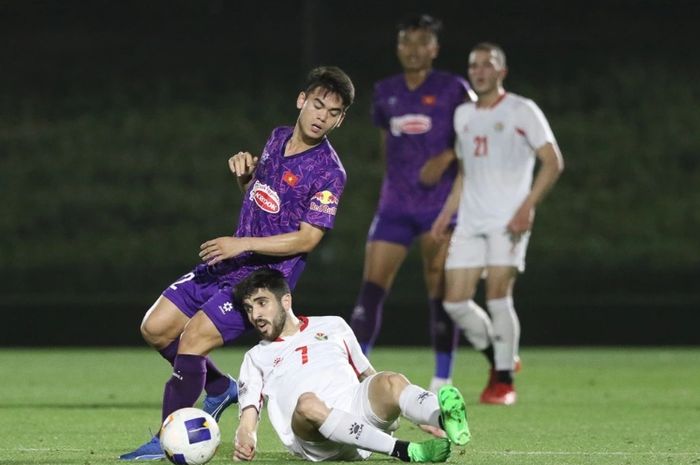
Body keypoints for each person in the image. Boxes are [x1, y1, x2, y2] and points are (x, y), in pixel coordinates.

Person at [119, 66, 356, 460]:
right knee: (156, 329)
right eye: (317, 105)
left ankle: (167, 440)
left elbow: (307, 238)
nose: (322, 117)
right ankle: (219, 388)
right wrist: (246, 178)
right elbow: (263, 199)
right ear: (302, 100)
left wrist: (240, 243)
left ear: (341, 118)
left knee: (193, 338)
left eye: (333, 113)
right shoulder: (278, 137)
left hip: (264, 280)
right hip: (231, 259)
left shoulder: (330, 172)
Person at [431, 43, 564, 405]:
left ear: (501, 72)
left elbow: (552, 162)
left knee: (497, 297)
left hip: (508, 220)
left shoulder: (523, 110)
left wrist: (528, 207)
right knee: (455, 303)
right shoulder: (462, 115)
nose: (479, 70)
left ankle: (503, 382)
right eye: (473, 64)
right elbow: (465, 172)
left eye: (487, 65)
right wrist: (446, 213)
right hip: (470, 221)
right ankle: (501, 358)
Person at [349, 14, 474, 393]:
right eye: (406, 41)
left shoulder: (454, 88)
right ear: (398, 47)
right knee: (372, 286)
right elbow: (387, 140)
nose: (414, 49)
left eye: (422, 42)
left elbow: (475, 136)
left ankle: (442, 377)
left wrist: (449, 155)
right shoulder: (385, 91)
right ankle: (355, 373)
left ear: (435, 49)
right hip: (396, 204)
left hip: (439, 204)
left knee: (438, 285)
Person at [233, 268, 471, 462]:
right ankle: (404, 450)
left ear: (286, 301)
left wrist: (411, 412)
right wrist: (246, 439)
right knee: (307, 402)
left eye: (262, 303)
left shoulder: (334, 325)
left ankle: (442, 418)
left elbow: (368, 375)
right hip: (318, 440)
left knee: (391, 379)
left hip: (360, 415)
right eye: (249, 308)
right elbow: (248, 417)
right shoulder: (255, 357)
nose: (255, 315)